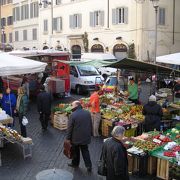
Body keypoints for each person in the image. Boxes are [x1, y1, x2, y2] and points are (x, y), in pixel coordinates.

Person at [66, 101, 92, 172]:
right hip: (85, 137)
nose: (72, 107)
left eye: (72, 105)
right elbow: (90, 124)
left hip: (76, 138)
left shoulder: (73, 115)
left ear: (76, 106)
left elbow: (70, 128)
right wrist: (91, 134)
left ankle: (75, 164)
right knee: (85, 151)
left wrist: (68, 138)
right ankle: (88, 166)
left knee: (75, 151)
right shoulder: (87, 113)